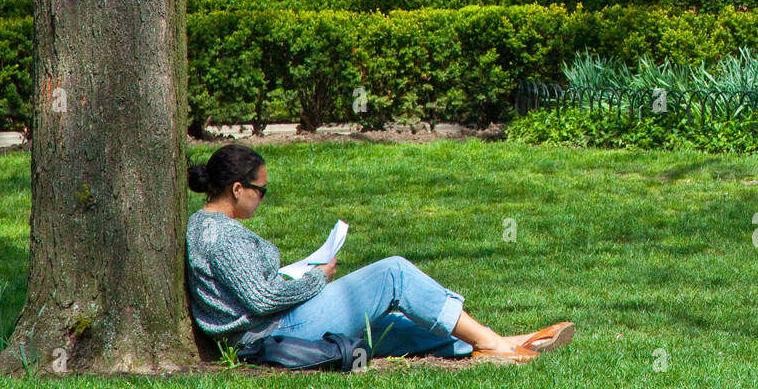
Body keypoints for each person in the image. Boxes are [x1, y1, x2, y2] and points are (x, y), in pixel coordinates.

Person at [185, 143, 573, 364]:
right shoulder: (220, 235)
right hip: (273, 334)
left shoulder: (210, 227)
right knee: (394, 275)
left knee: (394, 326)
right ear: (237, 189)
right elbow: (263, 298)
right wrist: (317, 277)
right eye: (261, 190)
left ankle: (499, 342)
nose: (264, 197)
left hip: (277, 326)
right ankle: (496, 343)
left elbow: (256, 289)